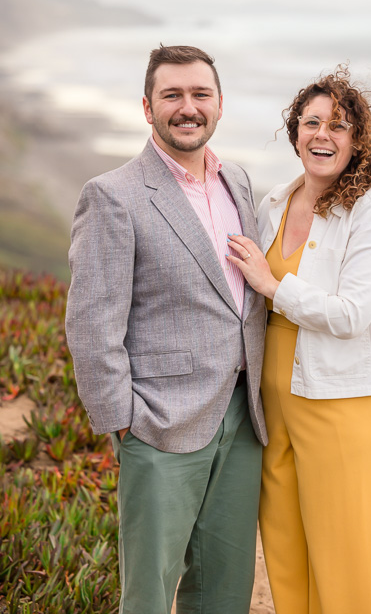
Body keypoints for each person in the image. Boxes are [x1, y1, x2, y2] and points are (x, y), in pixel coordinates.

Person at [65, 45, 267, 614]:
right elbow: (90, 321)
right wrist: (121, 423)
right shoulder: (112, 195)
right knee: (150, 592)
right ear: (147, 107)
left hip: (242, 415)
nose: (187, 107)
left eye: (200, 94)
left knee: (225, 587)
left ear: (220, 105)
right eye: (172, 95)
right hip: (157, 422)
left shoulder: (240, 183)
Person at [226, 65, 371, 614]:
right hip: (273, 405)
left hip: (342, 403)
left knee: (347, 554)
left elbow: (353, 313)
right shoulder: (274, 205)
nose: (322, 135)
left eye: (338, 125)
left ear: (357, 140)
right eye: (311, 123)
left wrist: (270, 282)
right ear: (295, 133)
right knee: (287, 549)